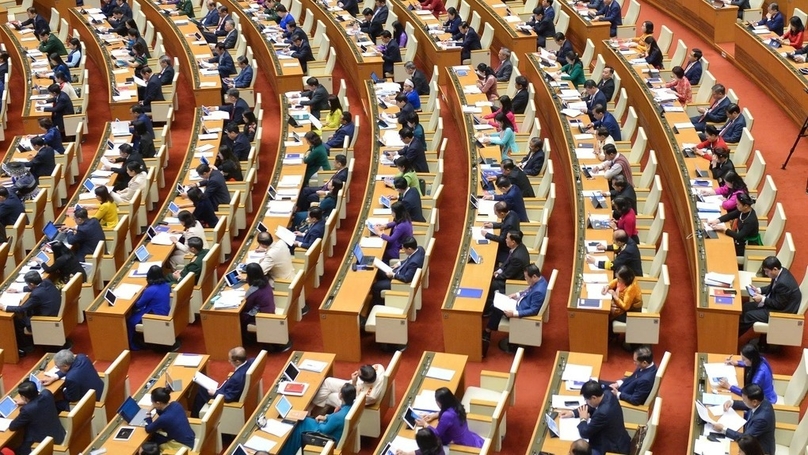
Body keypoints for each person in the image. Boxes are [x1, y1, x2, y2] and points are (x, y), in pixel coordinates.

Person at [483, 264, 547, 356]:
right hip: (518, 303)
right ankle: (488, 331)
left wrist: (514, 313)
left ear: (534, 276)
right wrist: (517, 294)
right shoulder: (540, 280)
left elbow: (534, 311)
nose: (525, 280)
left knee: (494, 306)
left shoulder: (539, 291)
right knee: (497, 304)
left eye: (526, 278)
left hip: (519, 311)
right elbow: (528, 291)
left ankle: (487, 332)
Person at [280, 384, 356, 455]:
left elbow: (323, 430)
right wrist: (326, 417)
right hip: (333, 432)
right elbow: (333, 419)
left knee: (298, 427)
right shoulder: (350, 407)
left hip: (327, 437)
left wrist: (321, 422)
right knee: (304, 420)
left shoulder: (338, 416)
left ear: (341, 395)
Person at [559, 381, 631, 454]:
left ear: (594, 397)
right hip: (617, 439)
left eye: (587, 400)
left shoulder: (603, 413)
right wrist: (572, 413)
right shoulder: (608, 394)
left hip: (611, 449)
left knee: (578, 450)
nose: (586, 403)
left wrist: (583, 419)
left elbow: (584, 433)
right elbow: (591, 407)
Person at [738, 256, 802, 337]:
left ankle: (732, 337)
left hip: (782, 312)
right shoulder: (781, 272)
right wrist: (759, 290)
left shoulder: (783, 283)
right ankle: (735, 330)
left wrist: (762, 299)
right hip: (777, 302)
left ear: (775, 269)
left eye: (767, 271)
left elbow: (779, 305)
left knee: (749, 315)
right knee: (746, 306)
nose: (766, 274)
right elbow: (773, 287)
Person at [1, 271, 61, 357]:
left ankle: (27, 346)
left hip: (44, 321)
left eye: (28, 284)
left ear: (32, 284)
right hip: (54, 312)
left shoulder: (36, 294)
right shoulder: (47, 282)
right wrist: (18, 290)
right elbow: (36, 287)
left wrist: (5, 307)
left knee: (17, 320)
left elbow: (22, 309)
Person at [713, 384, 775, 455]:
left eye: (744, 400)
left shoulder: (762, 419)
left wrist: (723, 429)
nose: (743, 401)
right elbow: (749, 405)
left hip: (760, 450)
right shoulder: (761, 399)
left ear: (754, 402)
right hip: (751, 434)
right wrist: (732, 403)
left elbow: (745, 438)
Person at [191, 347, 253, 417]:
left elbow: (229, 397)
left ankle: (195, 418)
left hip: (224, 397)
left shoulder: (236, 378)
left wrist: (214, 393)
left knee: (201, 391)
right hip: (227, 389)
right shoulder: (251, 362)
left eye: (230, 360)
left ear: (238, 361)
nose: (229, 361)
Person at [8, 380, 65, 455]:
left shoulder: (27, 410)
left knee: (13, 450)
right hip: (59, 434)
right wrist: (27, 402)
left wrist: (27, 403)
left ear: (24, 397)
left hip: (41, 444)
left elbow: (12, 426)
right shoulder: (47, 393)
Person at [414, 388, 484, 447]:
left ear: (440, 402)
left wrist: (425, 424)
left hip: (459, 444)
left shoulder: (447, 416)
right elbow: (451, 414)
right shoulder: (455, 403)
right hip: (467, 436)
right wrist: (434, 415)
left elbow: (437, 434)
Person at [485, 231, 530, 316]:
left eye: (507, 238)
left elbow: (508, 275)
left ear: (513, 242)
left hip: (514, 281)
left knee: (491, 284)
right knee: (490, 270)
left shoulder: (517, 257)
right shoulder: (519, 247)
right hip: (511, 272)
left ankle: (488, 309)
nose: (505, 240)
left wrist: (497, 276)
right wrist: (499, 271)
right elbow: (507, 261)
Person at [371, 236, 424, 306]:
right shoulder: (420, 249)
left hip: (399, 282)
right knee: (379, 272)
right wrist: (399, 263)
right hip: (400, 270)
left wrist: (393, 275)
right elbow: (409, 259)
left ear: (409, 249)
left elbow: (406, 278)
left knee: (376, 286)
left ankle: (379, 304)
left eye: (404, 249)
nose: (403, 250)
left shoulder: (414, 263)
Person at [127, 265, 171, 349]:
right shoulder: (166, 285)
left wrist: (139, 295)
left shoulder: (150, 290)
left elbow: (138, 304)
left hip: (154, 315)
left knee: (130, 321)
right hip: (164, 311)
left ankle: (134, 345)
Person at [314, 363, 385, 409]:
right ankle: (316, 403)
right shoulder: (379, 368)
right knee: (328, 381)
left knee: (330, 396)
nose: (356, 372)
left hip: (351, 398)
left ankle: (316, 408)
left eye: (358, 373)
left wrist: (354, 383)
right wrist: (353, 382)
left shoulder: (370, 395)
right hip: (354, 385)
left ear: (364, 381)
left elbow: (353, 401)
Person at [708, 193, 759, 257]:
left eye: (738, 204)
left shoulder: (751, 220)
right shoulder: (743, 210)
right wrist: (717, 221)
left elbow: (739, 236)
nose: (736, 205)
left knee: (722, 252)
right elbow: (730, 215)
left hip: (747, 247)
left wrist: (724, 228)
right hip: (739, 241)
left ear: (746, 206)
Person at [241, 262, 275, 328]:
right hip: (270, 310)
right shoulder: (266, 281)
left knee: (239, 316)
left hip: (261, 316)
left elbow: (247, 307)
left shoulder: (253, 291)